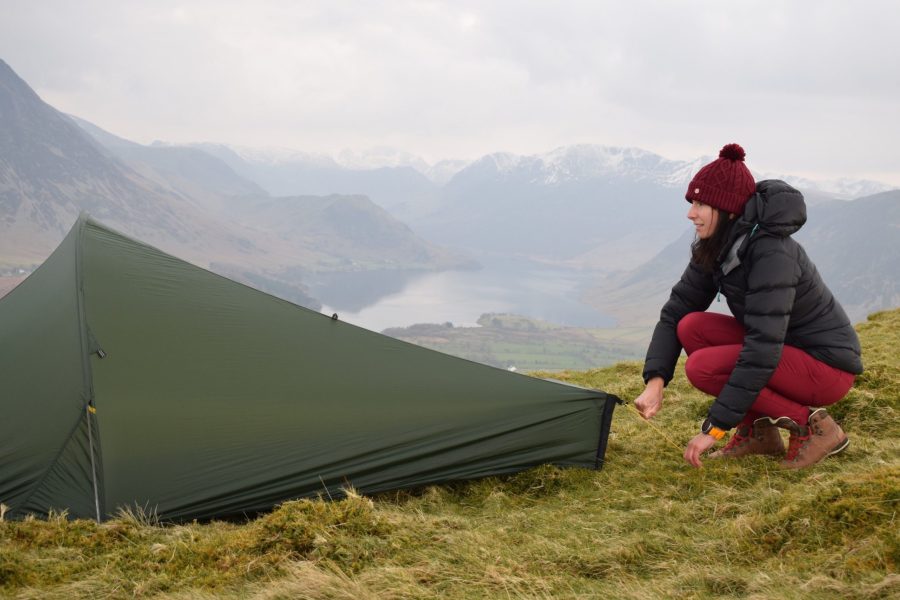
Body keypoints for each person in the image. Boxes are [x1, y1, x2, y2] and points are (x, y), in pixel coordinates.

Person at [633, 143, 863, 469]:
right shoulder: (719, 245)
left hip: (825, 368)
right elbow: (676, 312)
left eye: (700, 203)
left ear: (728, 210)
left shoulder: (771, 254)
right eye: (692, 202)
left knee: (703, 368)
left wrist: (714, 429)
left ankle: (815, 427)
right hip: (786, 352)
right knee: (691, 326)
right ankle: (759, 433)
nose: (690, 212)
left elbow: (761, 350)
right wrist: (655, 381)